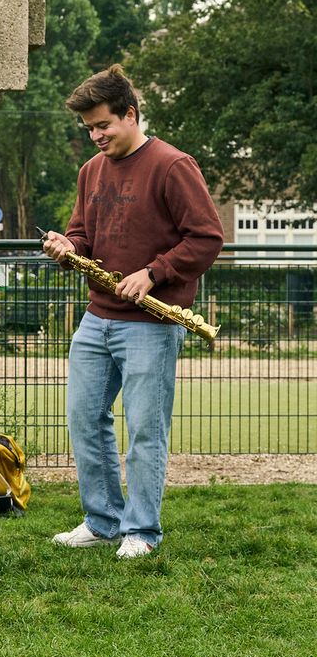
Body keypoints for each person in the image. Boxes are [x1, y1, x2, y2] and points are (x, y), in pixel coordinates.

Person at [42, 64, 223, 558]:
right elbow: (83, 233)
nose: (96, 136)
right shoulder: (90, 171)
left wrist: (154, 272)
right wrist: (66, 243)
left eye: (103, 125)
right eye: (89, 129)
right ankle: (102, 522)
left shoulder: (172, 165)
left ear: (131, 114)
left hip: (154, 320)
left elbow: (207, 238)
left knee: (146, 429)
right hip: (97, 317)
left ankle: (141, 530)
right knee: (84, 418)